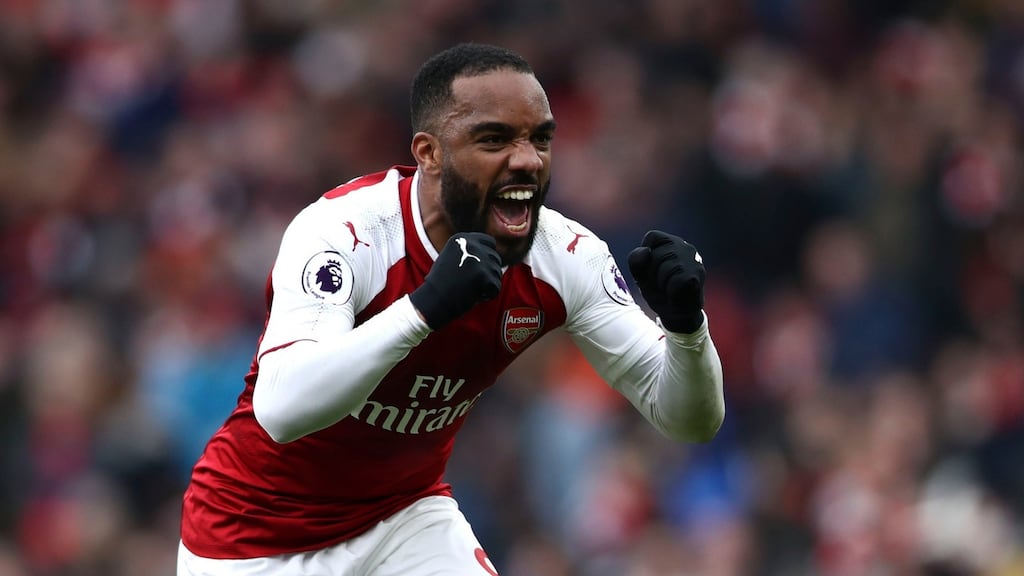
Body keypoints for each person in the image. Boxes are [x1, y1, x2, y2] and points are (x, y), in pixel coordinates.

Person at [177, 42, 725, 576]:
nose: (527, 161)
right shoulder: (347, 233)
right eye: (495, 140)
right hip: (253, 540)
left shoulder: (565, 257)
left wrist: (686, 330)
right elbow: (282, 406)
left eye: (540, 139)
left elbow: (688, 419)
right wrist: (424, 311)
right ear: (429, 153)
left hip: (403, 517)